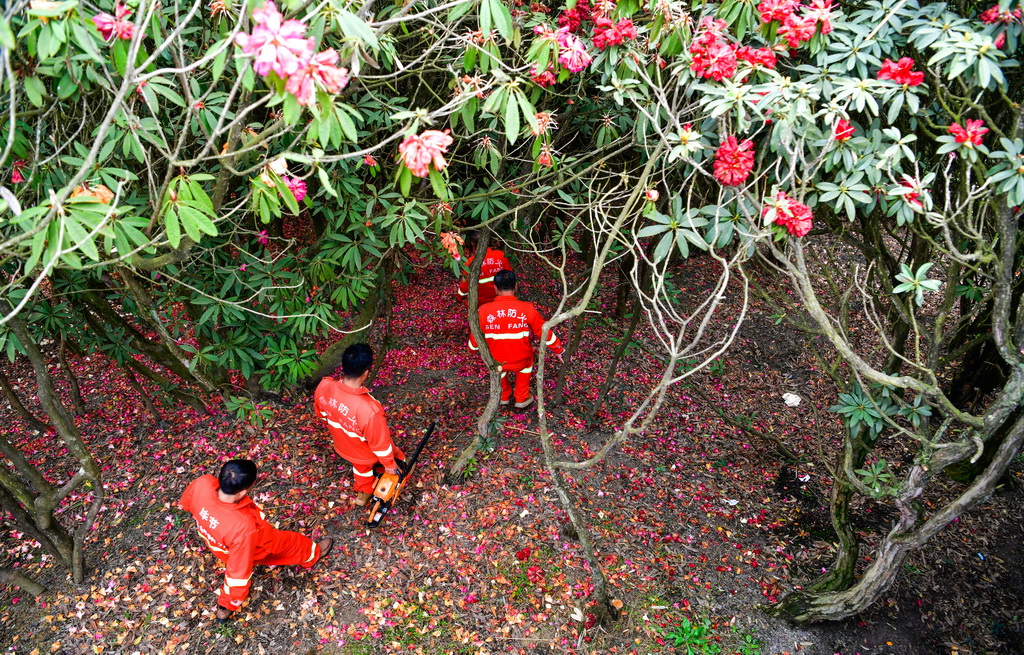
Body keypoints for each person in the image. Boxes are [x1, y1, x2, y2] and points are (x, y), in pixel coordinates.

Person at [180, 460, 333, 622]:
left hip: (218, 544)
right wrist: (227, 604)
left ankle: (224, 610)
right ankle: (313, 554)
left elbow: (187, 503)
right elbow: (237, 574)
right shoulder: (242, 527)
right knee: (294, 543)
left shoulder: (202, 484)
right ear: (242, 492)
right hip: (255, 545)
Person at [314, 343, 406, 506]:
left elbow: (322, 415)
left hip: (343, 446)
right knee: (396, 457)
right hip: (367, 454)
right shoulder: (369, 410)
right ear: (366, 373)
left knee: (361, 470)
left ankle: (364, 493)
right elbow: (381, 446)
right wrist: (390, 466)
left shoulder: (324, 386)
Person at [468, 270, 565, 409]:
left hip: (497, 361)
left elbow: (474, 339)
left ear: (495, 288)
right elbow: (544, 331)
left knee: (498, 368)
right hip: (522, 360)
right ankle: (521, 397)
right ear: (516, 287)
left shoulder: (483, 310)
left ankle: (504, 395)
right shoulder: (527, 309)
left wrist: (472, 350)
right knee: (528, 362)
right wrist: (559, 350)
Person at [457, 230, 512, 306]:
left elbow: (464, 287)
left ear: (473, 244)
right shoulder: (501, 256)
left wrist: (459, 298)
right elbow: (509, 277)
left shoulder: (470, 262)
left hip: (480, 303)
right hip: (501, 299)